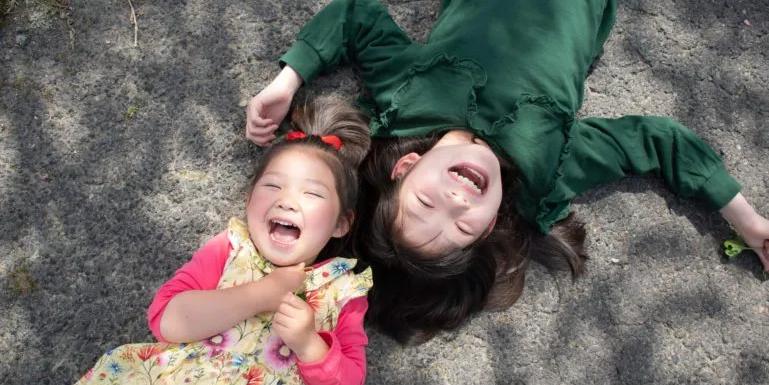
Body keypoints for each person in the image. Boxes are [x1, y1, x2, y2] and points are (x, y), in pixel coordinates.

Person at [245, 0, 769, 343]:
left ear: (406, 167)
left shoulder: (405, 98)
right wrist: (749, 224)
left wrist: (287, 82)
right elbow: (658, 140)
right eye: (465, 225)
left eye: (428, 203)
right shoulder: (547, 174)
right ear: (493, 223)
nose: (458, 199)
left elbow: (355, 15)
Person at [78, 97, 373, 385]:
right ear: (248, 200)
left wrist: (309, 345)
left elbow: (351, 378)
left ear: (340, 223)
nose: (287, 201)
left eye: (312, 194)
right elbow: (166, 321)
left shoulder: (344, 290)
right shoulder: (231, 247)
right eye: (273, 186)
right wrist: (260, 294)